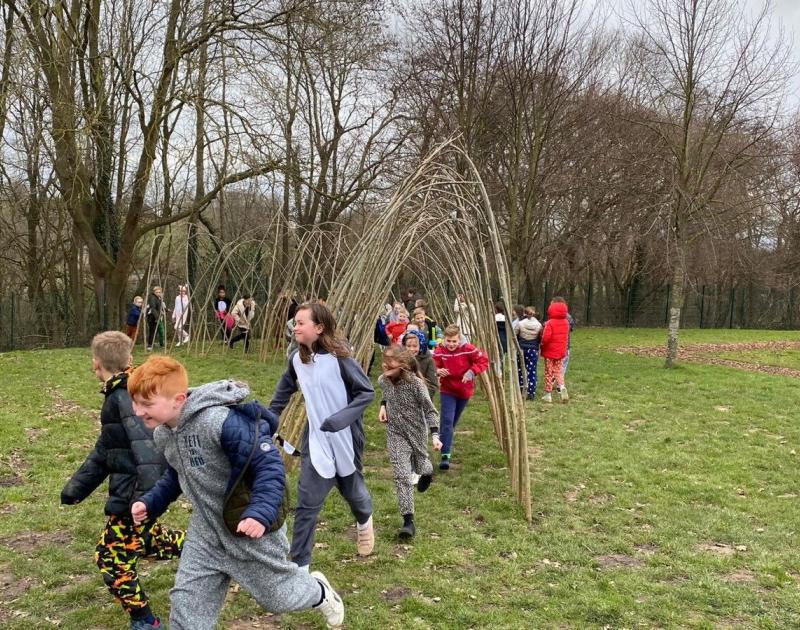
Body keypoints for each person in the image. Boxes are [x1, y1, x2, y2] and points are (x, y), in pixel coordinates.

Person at [128, 356, 345, 630]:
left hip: (250, 530)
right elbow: (178, 472)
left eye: (146, 404)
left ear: (179, 399)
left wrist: (260, 513)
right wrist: (151, 503)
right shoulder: (164, 433)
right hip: (206, 534)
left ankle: (319, 592)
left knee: (278, 598)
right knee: (186, 606)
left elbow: (268, 465)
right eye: (135, 402)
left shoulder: (217, 422)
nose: (137, 411)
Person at [60, 332, 183, 630]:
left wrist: (144, 500)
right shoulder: (121, 393)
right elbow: (106, 450)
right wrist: (76, 489)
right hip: (140, 492)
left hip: (136, 494)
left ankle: (145, 622)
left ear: (95, 364)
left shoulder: (123, 397)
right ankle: (202, 548)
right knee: (147, 541)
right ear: (129, 359)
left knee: (111, 559)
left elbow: (149, 450)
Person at [268, 302, 375, 570]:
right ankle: (300, 567)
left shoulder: (342, 360)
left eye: (301, 322)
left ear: (319, 327)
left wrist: (341, 419)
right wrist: (268, 420)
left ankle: (364, 520)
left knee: (355, 494)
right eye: (295, 322)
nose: (296, 327)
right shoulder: (296, 360)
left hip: (346, 439)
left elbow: (367, 392)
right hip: (316, 440)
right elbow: (282, 392)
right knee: (307, 504)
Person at [377, 346, 442, 539]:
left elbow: (430, 411)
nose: (385, 365)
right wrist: (383, 406)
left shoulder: (415, 384)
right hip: (396, 433)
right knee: (402, 475)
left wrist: (435, 435)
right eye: (384, 360)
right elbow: (386, 394)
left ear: (404, 365)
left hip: (417, 433)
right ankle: (408, 521)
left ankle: (428, 472)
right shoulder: (383, 381)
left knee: (422, 465)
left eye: (391, 361)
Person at [432, 324, 489, 470]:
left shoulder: (468, 349)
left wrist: (471, 372)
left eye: (454, 341)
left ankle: (444, 438)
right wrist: (438, 371)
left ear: (459, 339)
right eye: (448, 341)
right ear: (444, 339)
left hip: (464, 391)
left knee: (451, 424)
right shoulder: (439, 351)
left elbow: (483, 361)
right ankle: (445, 456)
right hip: (447, 390)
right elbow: (433, 366)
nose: (451, 344)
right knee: (447, 420)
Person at [540, 298, 571, 403]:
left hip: (550, 352)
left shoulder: (550, 323)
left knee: (549, 372)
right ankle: (562, 386)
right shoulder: (566, 322)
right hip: (561, 351)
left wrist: (542, 344)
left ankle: (548, 395)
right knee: (558, 371)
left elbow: (546, 338)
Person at [402, 329, 439, 401]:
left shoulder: (429, 360)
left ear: (421, 346)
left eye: (415, 346)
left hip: (421, 401)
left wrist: (421, 398)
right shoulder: (400, 360)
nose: (411, 349)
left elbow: (433, 385)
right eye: (408, 346)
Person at [517, 306, 543, 400]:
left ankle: (521, 389)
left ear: (525, 313)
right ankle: (531, 392)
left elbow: (516, 334)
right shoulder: (539, 325)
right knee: (532, 371)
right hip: (533, 350)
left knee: (520, 369)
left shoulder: (520, 324)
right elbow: (540, 337)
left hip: (522, 349)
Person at [145, 286, 165, 351]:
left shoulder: (158, 298)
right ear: (154, 292)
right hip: (152, 317)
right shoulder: (152, 298)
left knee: (155, 331)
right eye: (157, 292)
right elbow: (153, 308)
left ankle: (151, 343)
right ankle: (149, 345)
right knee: (152, 331)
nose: (158, 293)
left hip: (156, 316)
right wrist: (157, 317)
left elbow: (159, 307)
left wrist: (166, 310)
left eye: (159, 292)